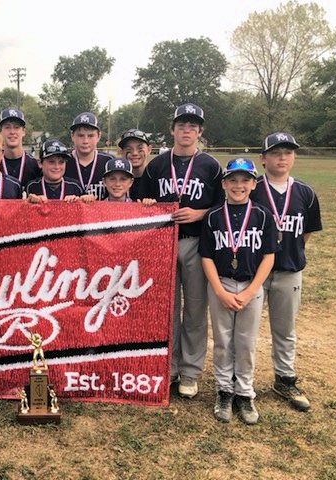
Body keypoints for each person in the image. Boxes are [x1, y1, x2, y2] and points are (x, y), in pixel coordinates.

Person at [138, 103, 224, 398]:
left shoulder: (211, 166)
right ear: (172, 129)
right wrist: (148, 207)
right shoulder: (157, 165)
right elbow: (141, 203)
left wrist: (199, 214)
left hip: (196, 243)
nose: (186, 130)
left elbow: (223, 206)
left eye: (192, 126)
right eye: (181, 125)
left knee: (195, 309)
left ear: (199, 132)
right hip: (162, 243)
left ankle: (190, 371)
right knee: (167, 310)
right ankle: (168, 367)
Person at [200, 158, 277, 424]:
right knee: (222, 341)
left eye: (245, 180)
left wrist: (250, 291)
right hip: (220, 283)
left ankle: (244, 392)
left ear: (254, 184)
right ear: (223, 183)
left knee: (245, 342)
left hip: (250, 285)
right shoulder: (212, 216)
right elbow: (206, 256)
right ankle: (224, 389)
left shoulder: (263, 215)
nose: (238, 185)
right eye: (232, 179)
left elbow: (269, 256)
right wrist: (220, 291)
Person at [250, 132, 322, 412]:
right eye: (276, 152)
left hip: (289, 269)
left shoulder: (305, 192)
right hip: (253, 272)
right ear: (263, 158)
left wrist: (289, 254)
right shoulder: (251, 188)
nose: (282, 157)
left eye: (288, 152)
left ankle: (284, 378)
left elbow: (305, 234)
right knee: (245, 330)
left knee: (285, 329)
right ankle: (239, 379)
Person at [25, 138, 93, 203]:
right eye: (51, 162)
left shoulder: (75, 186)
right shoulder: (31, 187)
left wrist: (85, 200)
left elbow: (86, 211)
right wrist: (30, 202)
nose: (57, 167)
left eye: (61, 162)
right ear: (40, 163)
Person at [65, 112, 111, 200]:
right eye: (80, 135)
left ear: (99, 136)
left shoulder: (108, 162)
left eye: (90, 136)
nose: (85, 141)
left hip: (101, 213)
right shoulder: (63, 162)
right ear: (72, 136)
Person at [0, 108, 41, 189]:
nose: (12, 132)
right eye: (7, 127)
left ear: (24, 131)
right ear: (0, 131)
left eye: (16, 127)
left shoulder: (34, 165)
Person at [117, 129, 152, 200]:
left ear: (149, 150)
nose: (135, 153)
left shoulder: (155, 179)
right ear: (121, 152)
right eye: (129, 149)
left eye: (140, 148)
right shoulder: (116, 182)